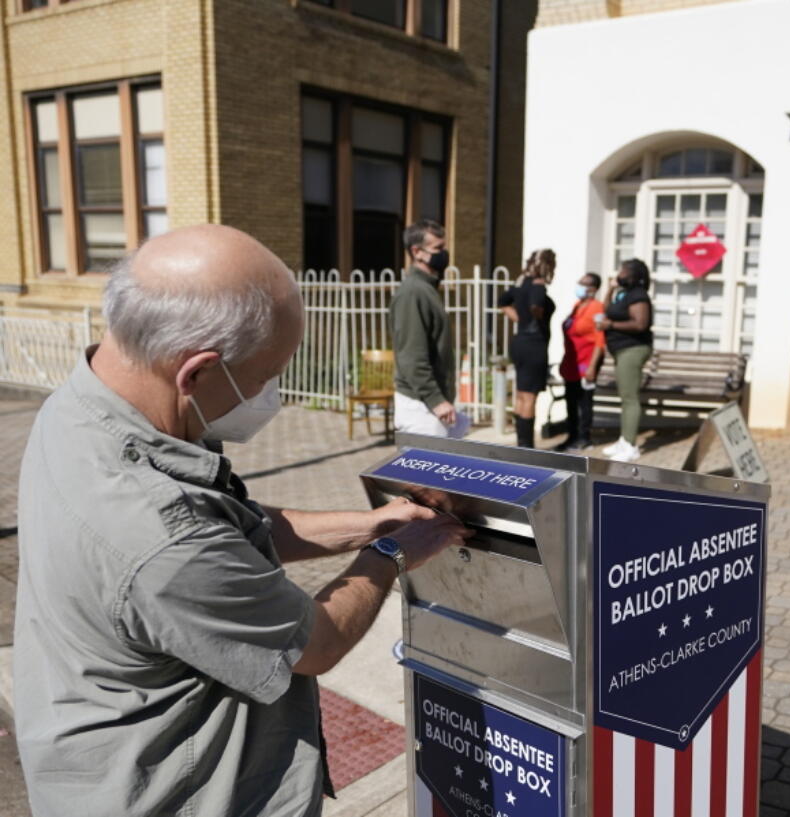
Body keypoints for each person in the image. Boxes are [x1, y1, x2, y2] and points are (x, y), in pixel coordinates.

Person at [13, 225, 471, 817]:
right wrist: (393, 555)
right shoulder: (157, 531)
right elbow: (316, 642)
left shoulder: (81, 405)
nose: (270, 394)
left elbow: (230, 533)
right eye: (265, 375)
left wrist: (372, 524)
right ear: (196, 372)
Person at [391, 218, 456, 437]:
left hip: (429, 405)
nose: (443, 254)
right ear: (417, 251)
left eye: (443, 247)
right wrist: (436, 400)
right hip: (421, 407)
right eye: (437, 248)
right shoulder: (413, 293)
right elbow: (412, 356)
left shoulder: (426, 289)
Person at [595, 258, 653, 463]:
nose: (619, 273)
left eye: (623, 271)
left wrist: (610, 325)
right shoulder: (624, 294)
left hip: (633, 349)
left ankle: (630, 446)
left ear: (634, 275)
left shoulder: (638, 295)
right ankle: (624, 439)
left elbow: (640, 324)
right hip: (621, 350)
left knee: (629, 397)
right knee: (625, 395)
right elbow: (606, 308)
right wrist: (611, 289)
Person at [498, 249, 557, 448]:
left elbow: (503, 302)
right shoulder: (538, 286)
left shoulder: (521, 282)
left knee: (521, 394)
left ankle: (521, 444)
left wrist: (521, 319)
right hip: (534, 345)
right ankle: (527, 448)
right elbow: (536, 306)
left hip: (520, 342)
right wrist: (535, 314)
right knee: (530, 396)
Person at [556, 271, 606, 451]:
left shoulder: (597, 308)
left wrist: (593, 367)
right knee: (570, 399)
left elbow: (600, 340)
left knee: (584, 401)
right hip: (571, 361)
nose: (579, 285)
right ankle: (572, 435)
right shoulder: (578, 305)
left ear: (593, 289)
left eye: (583, 283)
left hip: (586, 361)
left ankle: (584, 437)